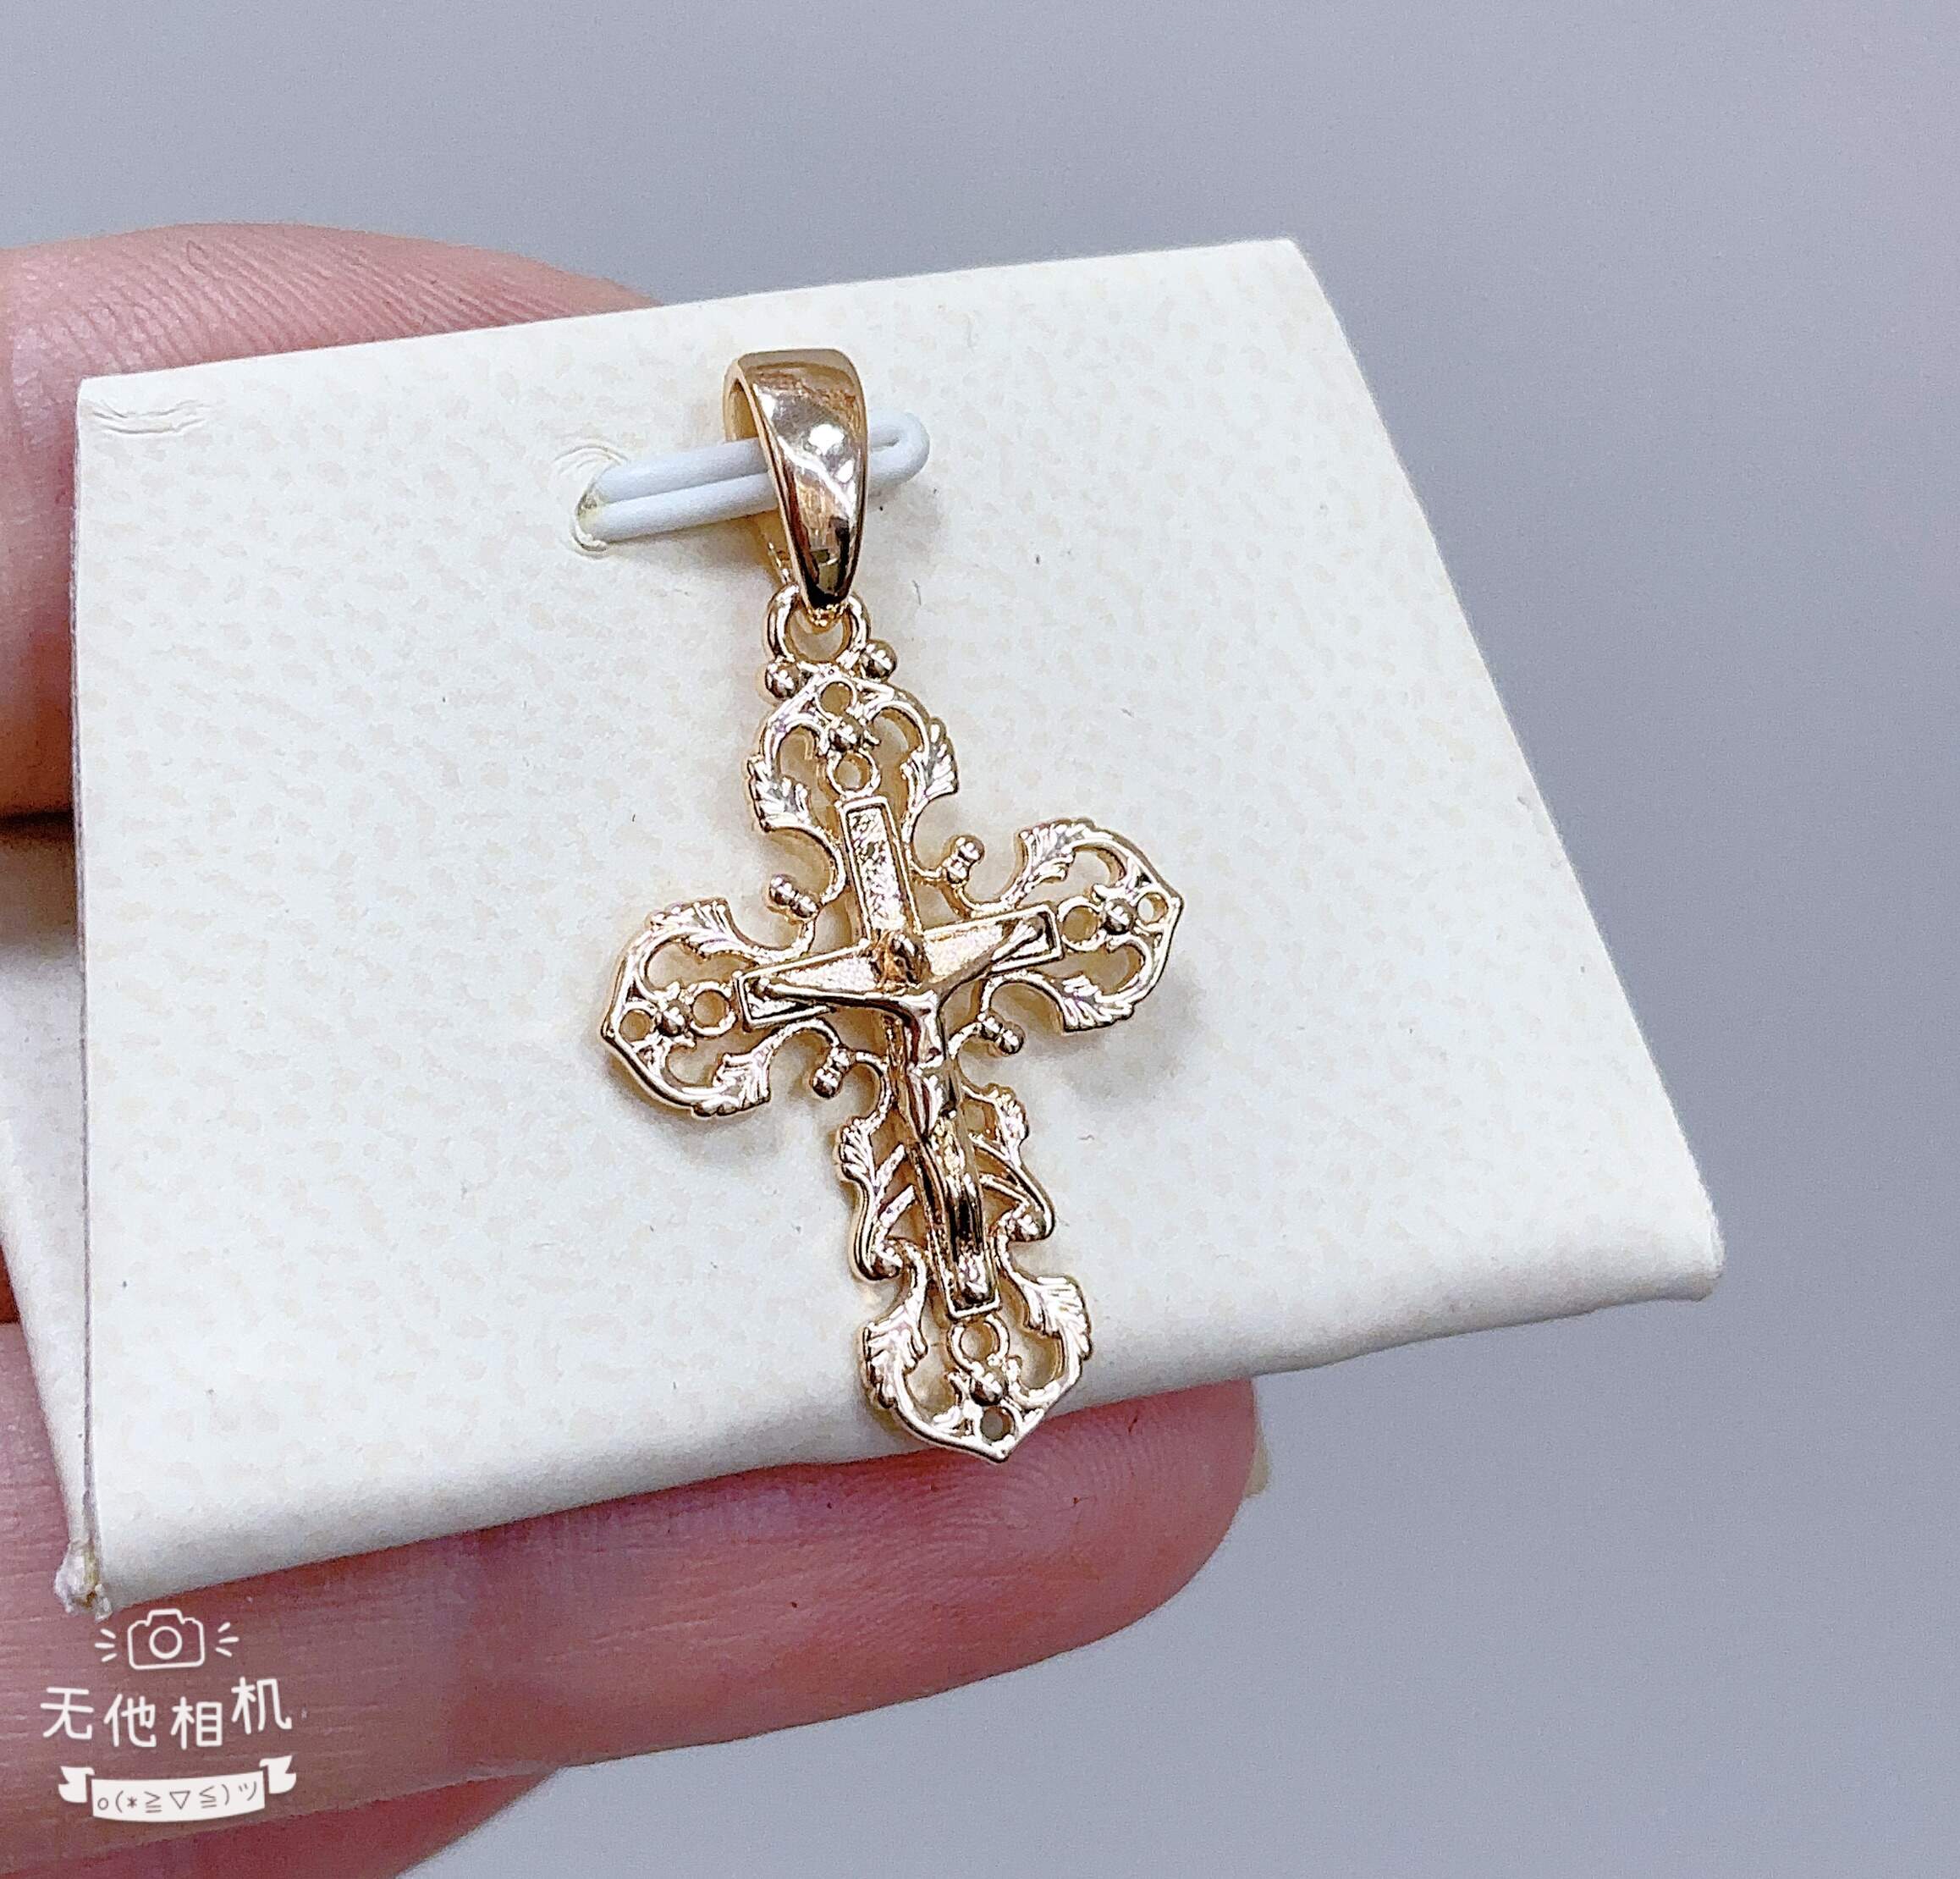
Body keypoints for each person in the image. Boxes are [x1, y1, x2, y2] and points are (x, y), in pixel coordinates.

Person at [0, 223, 1258, 1876]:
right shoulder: (803, 960)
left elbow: (1086, 918)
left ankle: (967, 1293)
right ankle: (965, 1292)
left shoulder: (956, 912)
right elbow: (693, 1002)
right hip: (892, 1047)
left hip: (929, 1055)